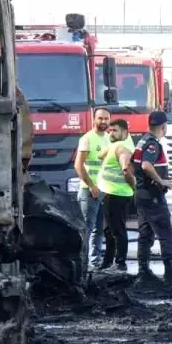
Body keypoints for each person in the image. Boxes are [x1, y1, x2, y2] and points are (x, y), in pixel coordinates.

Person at [132, 110, 172, 285]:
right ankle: (170, 272)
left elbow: (133, 166)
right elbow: (146, 165)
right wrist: (161, 180)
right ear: (164, 126)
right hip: (153, 197)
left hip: (142, 195)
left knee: (145, 234)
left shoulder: (142, 141)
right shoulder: (153, 144)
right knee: (165, 233)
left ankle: (143, 271)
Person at [97, 118, 136, 271]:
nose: (111, 133)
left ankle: (120, 263)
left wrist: (134, 187)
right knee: (109, 231)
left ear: (125, 132)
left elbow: (125, 169)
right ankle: (107, 262)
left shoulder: (122, 148)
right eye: (110, 131)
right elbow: (101, 154)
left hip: (118, 195)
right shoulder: (114, 146)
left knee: (118, 230)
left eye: (115, 131)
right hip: (110, 193)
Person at [73, 107, 110, 266]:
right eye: (100, 118)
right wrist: (91, 186)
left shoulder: (109, 139)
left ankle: (95, 262)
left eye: (106, 119)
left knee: (100, 229)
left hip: (105, 191)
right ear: (94, 119)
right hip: (90, 191)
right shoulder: (87, 139)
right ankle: (82, 263)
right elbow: (78, 165)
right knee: (86, 229)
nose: (103, 121)